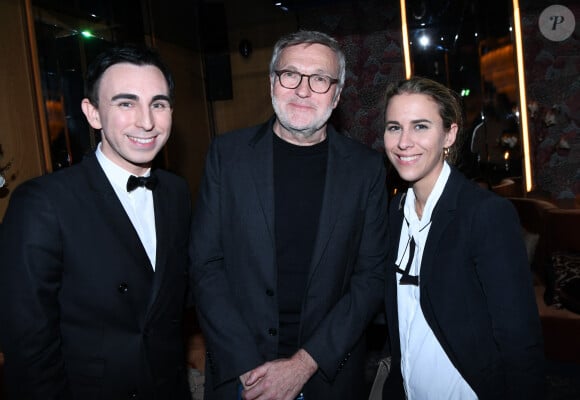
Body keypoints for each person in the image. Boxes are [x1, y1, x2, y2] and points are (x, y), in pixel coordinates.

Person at [190, 30, 388, 400]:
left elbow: (371, 276)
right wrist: (247, 365)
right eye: (290, 74)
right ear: (272, 82)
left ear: (337, 93)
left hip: (327, 375)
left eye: (320, 79)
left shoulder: (366, 170)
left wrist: (304, 363)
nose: (303, 89)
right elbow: (205, 264)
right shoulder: (226, 156)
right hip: (240, 373)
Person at [0, 45, 193, 399]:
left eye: (159, 104)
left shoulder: (176, 192)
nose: (146, 121)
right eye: (125, 103)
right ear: (92, 114)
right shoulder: (43, 203)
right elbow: (27, 347)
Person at [380, 76, 545, 399]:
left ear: (449, 134)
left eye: (421, 126)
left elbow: (519, 338)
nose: (404, 142)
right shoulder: (396, 210)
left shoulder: (484, 214)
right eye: (394, 127)